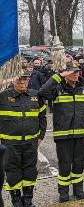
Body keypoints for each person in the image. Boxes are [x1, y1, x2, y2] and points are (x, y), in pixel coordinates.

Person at [38, 62, 84, 202]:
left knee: (79, 163)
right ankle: (63, 192)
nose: (76, 74)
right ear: (65, 74)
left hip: (81, 134)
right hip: (63, 134)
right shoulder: (57, 88)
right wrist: (58, 76)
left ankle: (78, 189)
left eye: (77, 71)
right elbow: (43, 92)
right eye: (72, 72)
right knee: (64, 164)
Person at [0, 70, 46, 207]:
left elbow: (42, 117)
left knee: (30, 171)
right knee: (13, 172)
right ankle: (16, 201)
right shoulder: (3, 96)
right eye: (19, 79)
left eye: (25, 79)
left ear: (28, 80)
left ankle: (28, 200)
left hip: (31, 142)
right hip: (10, 143)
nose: (22, 81)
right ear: (13, 80)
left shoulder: (35, 95)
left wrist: (41, 136)